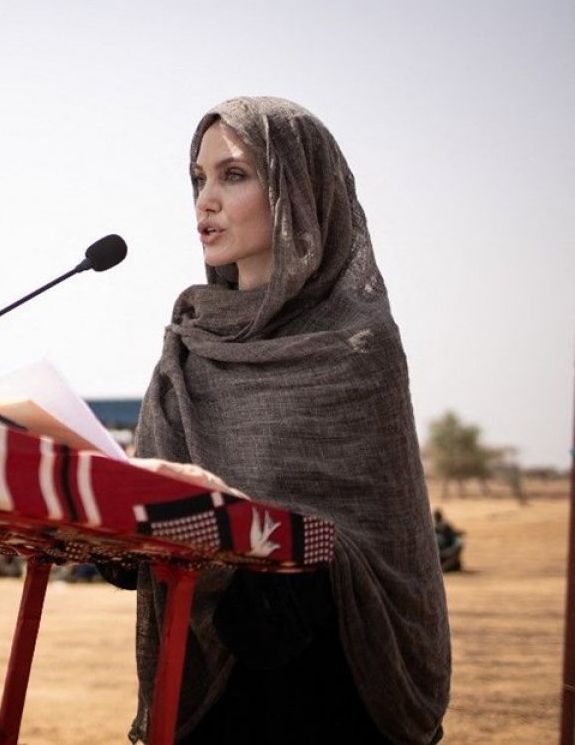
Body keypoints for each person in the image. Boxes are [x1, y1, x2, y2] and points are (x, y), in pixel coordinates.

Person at [107, 98, 450, 743]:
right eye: (198, 179)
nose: (204, 201)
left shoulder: (357, 344)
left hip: (328, 683)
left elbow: (370, 538)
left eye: (233, 175)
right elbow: (140, 539)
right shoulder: (191, 342)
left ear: (296, 189)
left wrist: (265, 547)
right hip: (207, 682)